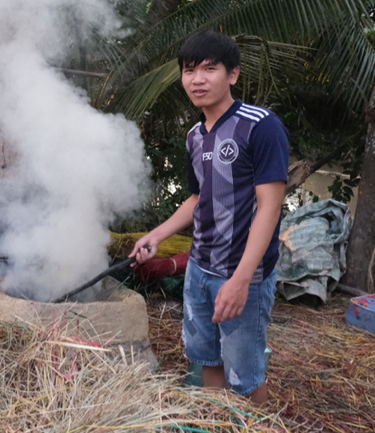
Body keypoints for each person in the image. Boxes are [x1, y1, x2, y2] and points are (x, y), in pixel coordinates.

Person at [129, 30, 289, 405]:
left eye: (209, 69)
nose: (197, 79)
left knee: (245, 376)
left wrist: (242, 280)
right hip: (200, 269)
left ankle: (253, 425)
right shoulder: (195, 136)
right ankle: (217, 421)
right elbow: (197, 198)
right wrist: (157, 234)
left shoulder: (260, 126)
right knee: (207, 360)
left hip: (242, 273)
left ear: (232, 74)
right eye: (189, 71)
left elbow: (270, 205)